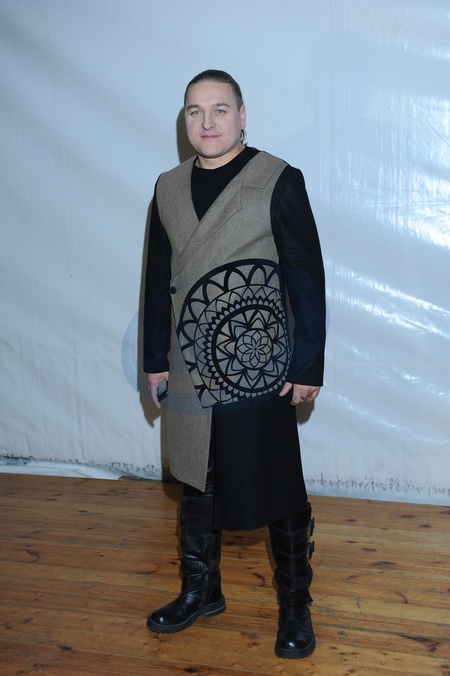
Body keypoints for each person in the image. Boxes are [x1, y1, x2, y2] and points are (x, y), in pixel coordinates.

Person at [143, 69, 325, 659]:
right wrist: (154, 358)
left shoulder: (277, 178)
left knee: (277, 482)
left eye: (220, 109)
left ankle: (295, 606)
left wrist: (308, 364)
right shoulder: (168, 187)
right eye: (195, 111)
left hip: (257, 362)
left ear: (242, 115)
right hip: (188, 362)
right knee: (196, 477)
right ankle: (202, 591)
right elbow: (156, 280)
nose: (207, 122)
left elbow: (306, 277)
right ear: (184, 119)